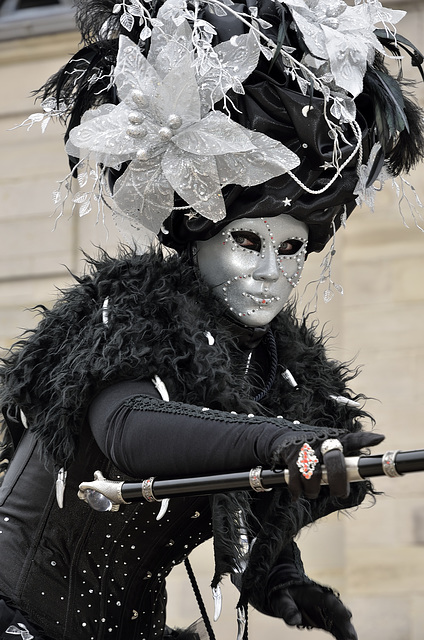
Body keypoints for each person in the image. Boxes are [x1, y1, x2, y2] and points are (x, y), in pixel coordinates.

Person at [0, 1, 423, 639]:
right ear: (198, 241)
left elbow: (244, 485)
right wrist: (280, 442)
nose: (270, 272)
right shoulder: (132, 316)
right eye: (248, 242)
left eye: (290, 250)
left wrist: (279, 576)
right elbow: (127, 429)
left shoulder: (277, 370)